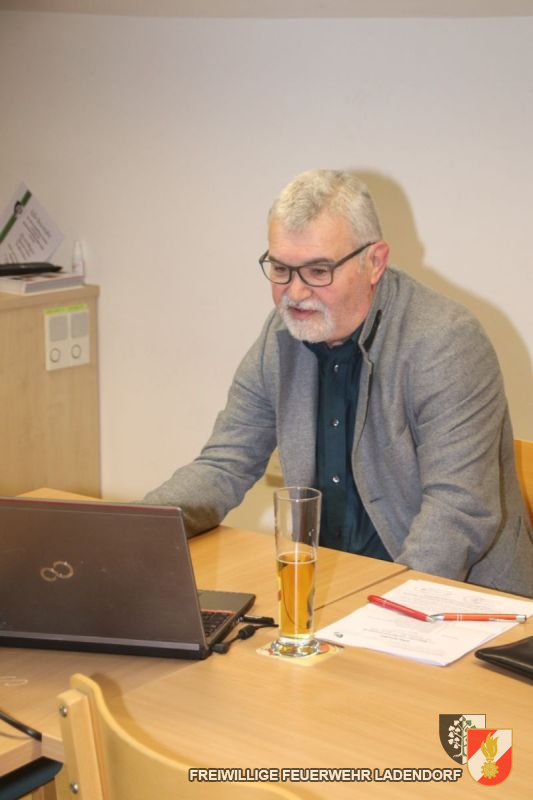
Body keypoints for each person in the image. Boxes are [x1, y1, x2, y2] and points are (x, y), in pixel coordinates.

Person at [144, 169, 533, 596]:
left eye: (318, 270)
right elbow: (223, 464)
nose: (294, 293)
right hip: (337, 583)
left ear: (374, 262)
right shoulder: (281, 334)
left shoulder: (445, 340)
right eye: (280, 268)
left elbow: (458, 511)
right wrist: (128, 532)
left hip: (462, 597)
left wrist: (384, 613)